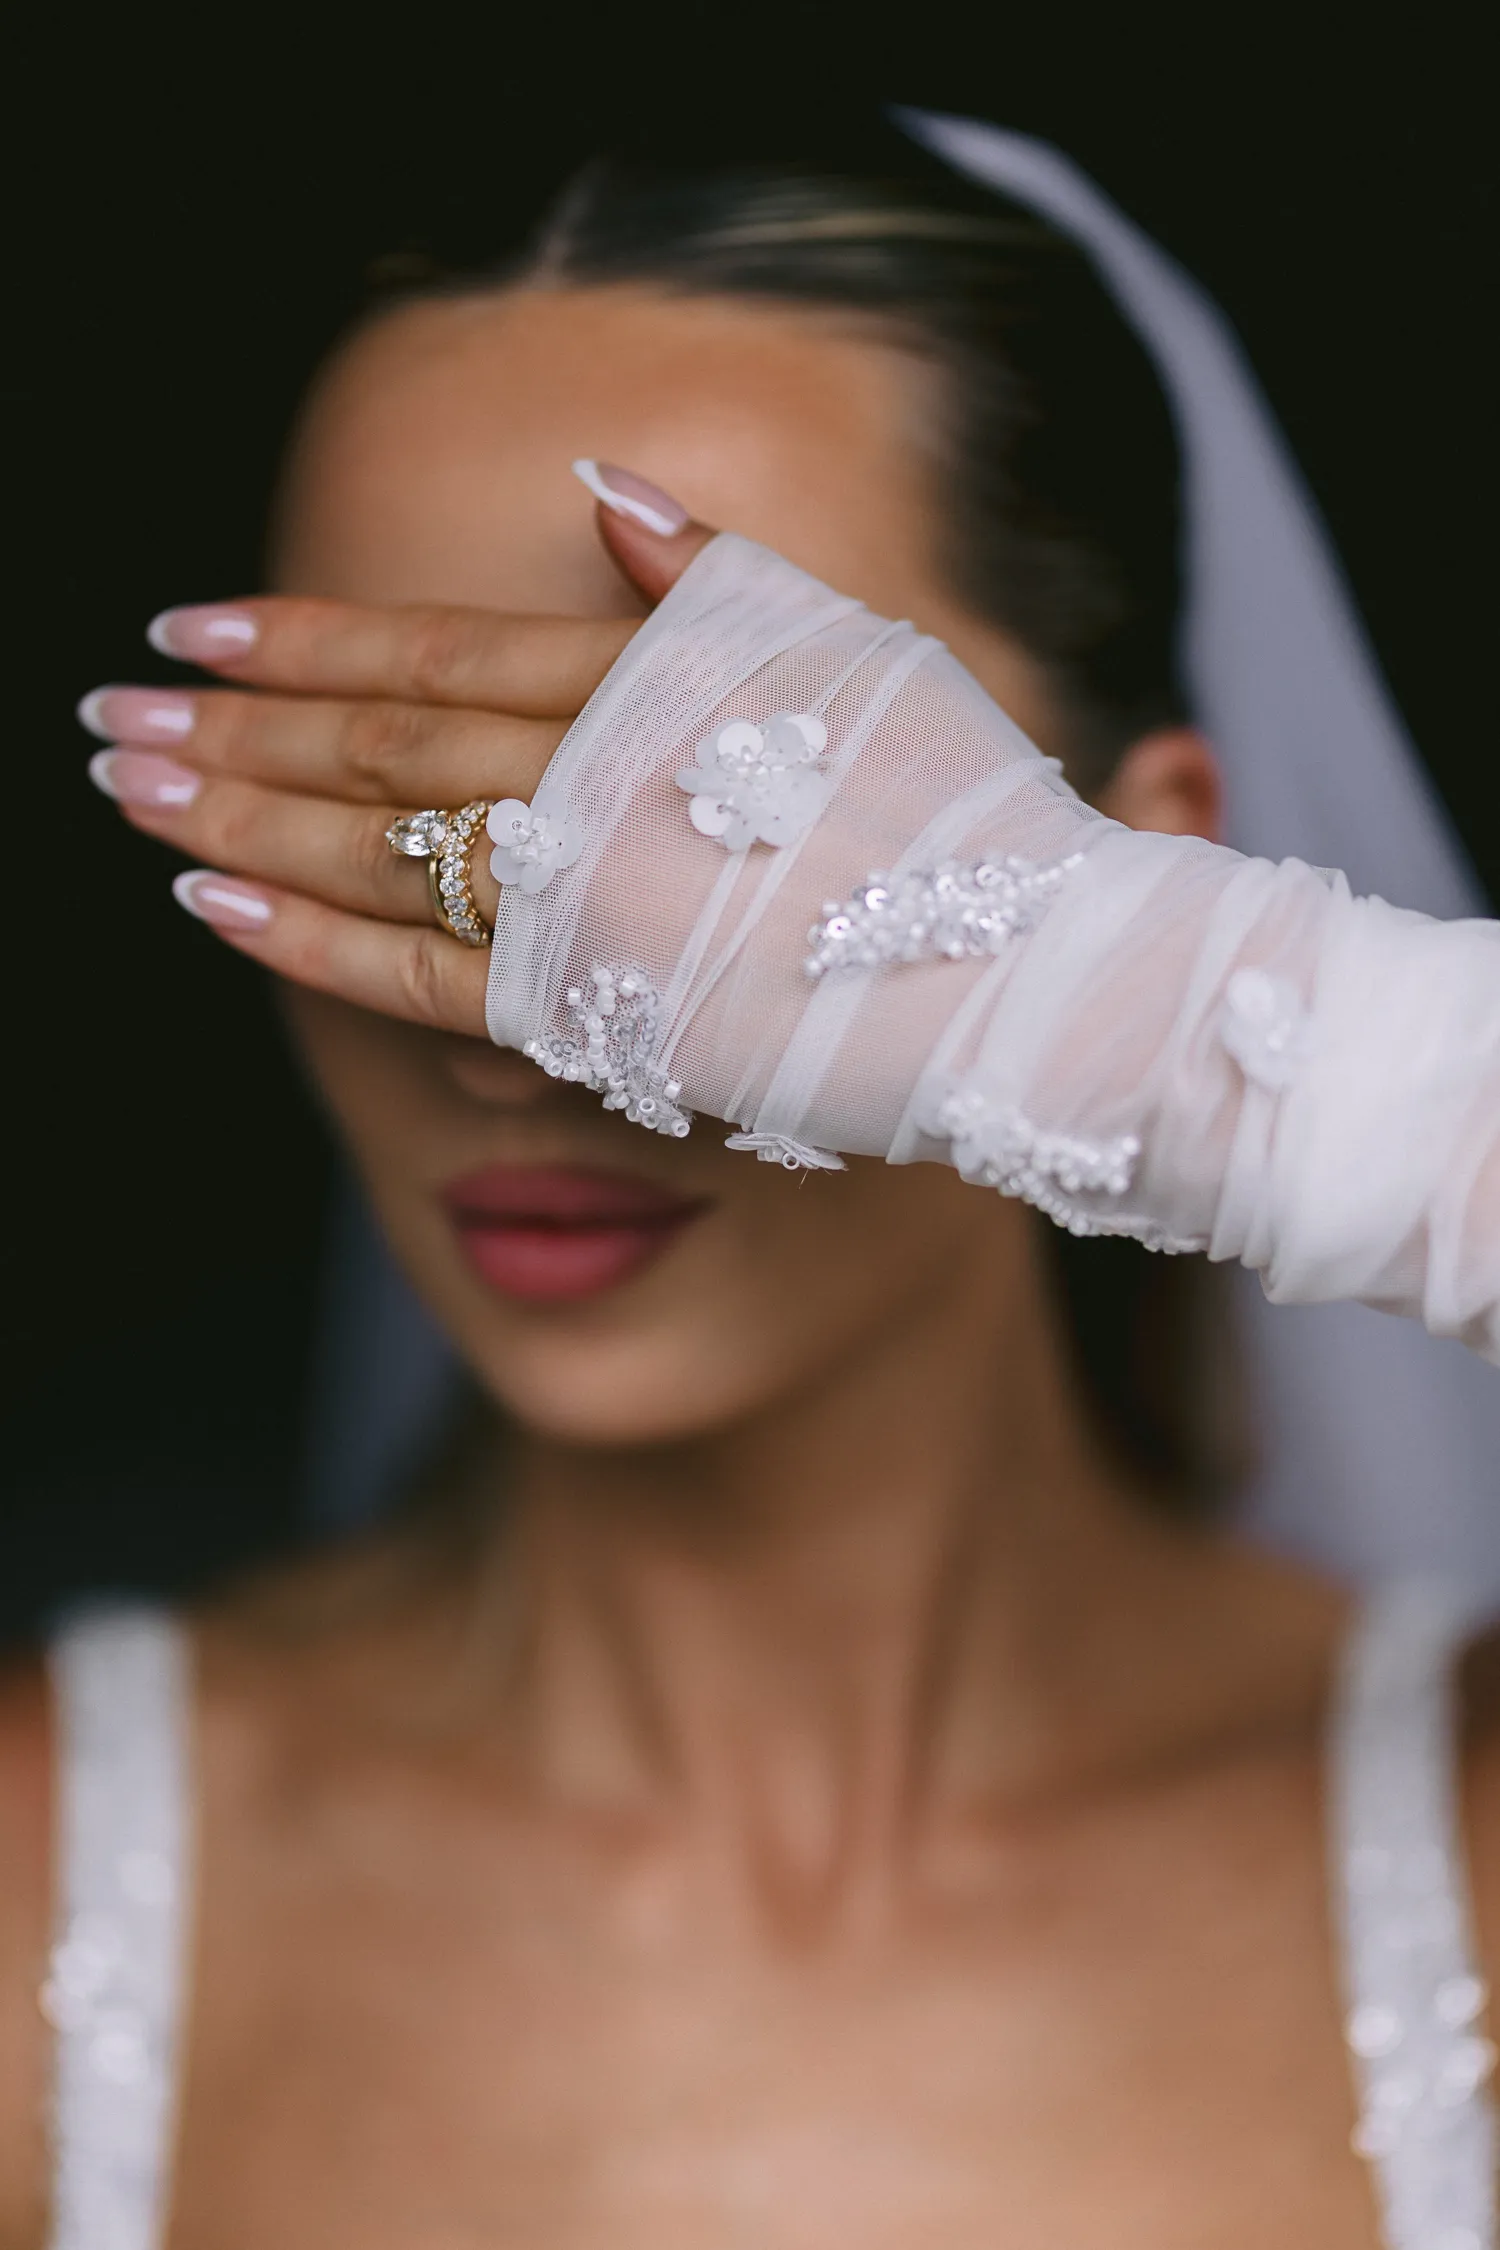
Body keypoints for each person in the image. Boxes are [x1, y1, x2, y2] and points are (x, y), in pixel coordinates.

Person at [3, 126, 1495, 2248]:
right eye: (384, 811)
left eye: (710, 827)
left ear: (1153, 869)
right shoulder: (38, 1905)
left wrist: (1247, 1046)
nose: (515, 1035)